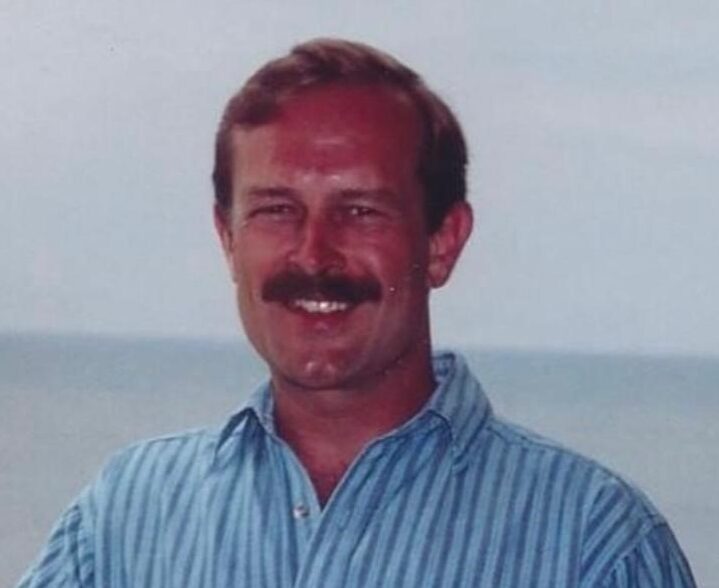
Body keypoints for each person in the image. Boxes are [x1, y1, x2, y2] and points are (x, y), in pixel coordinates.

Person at [18, 38, 695, 587]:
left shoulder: (592, 544)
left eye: (361, 211)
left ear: (442, 242)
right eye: (276, 210)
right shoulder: (125, 520)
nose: (314, 253)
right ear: (228, 240)